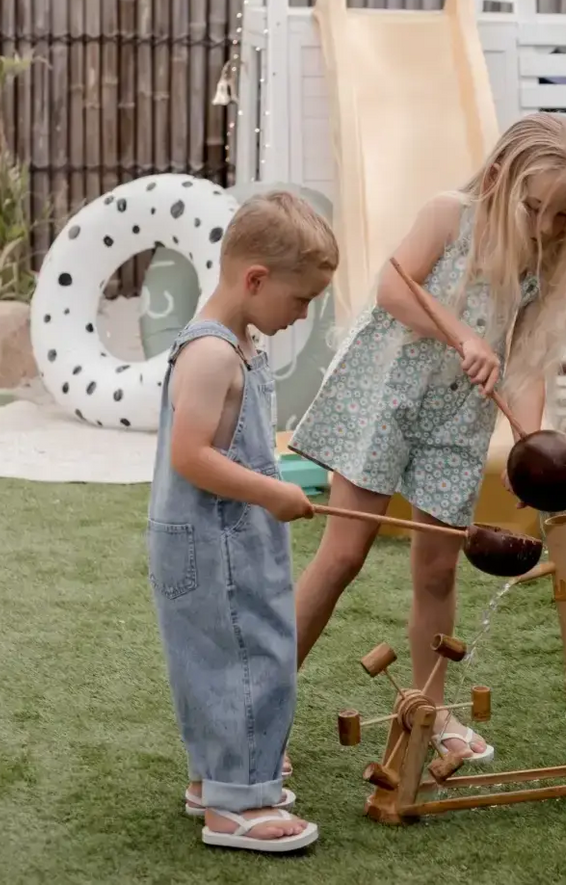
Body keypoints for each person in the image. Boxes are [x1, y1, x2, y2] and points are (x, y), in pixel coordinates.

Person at [287, 113, 566, 764]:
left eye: (563, 216)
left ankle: (427, 715)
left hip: (457, 423)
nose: (546, 228)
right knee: (343, 555)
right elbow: (393, 287)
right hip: (389, 398)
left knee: (436, 570)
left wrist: (535, 446)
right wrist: (463, 336)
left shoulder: (543, 260)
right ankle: (260, 707)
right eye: (535, 208)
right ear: (494, 180)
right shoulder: (448, 214)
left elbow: (521, 369)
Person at [147, 190, 338, 854]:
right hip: (215, 543)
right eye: (300, 300)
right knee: (247, 659)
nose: (302, 314)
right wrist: (270, 492)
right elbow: (190, 454)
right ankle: (239, 806)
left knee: (218, 659)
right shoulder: (211, 354)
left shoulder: (241, 342)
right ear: (255, 279)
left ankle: (217, 781)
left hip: (224, 540)